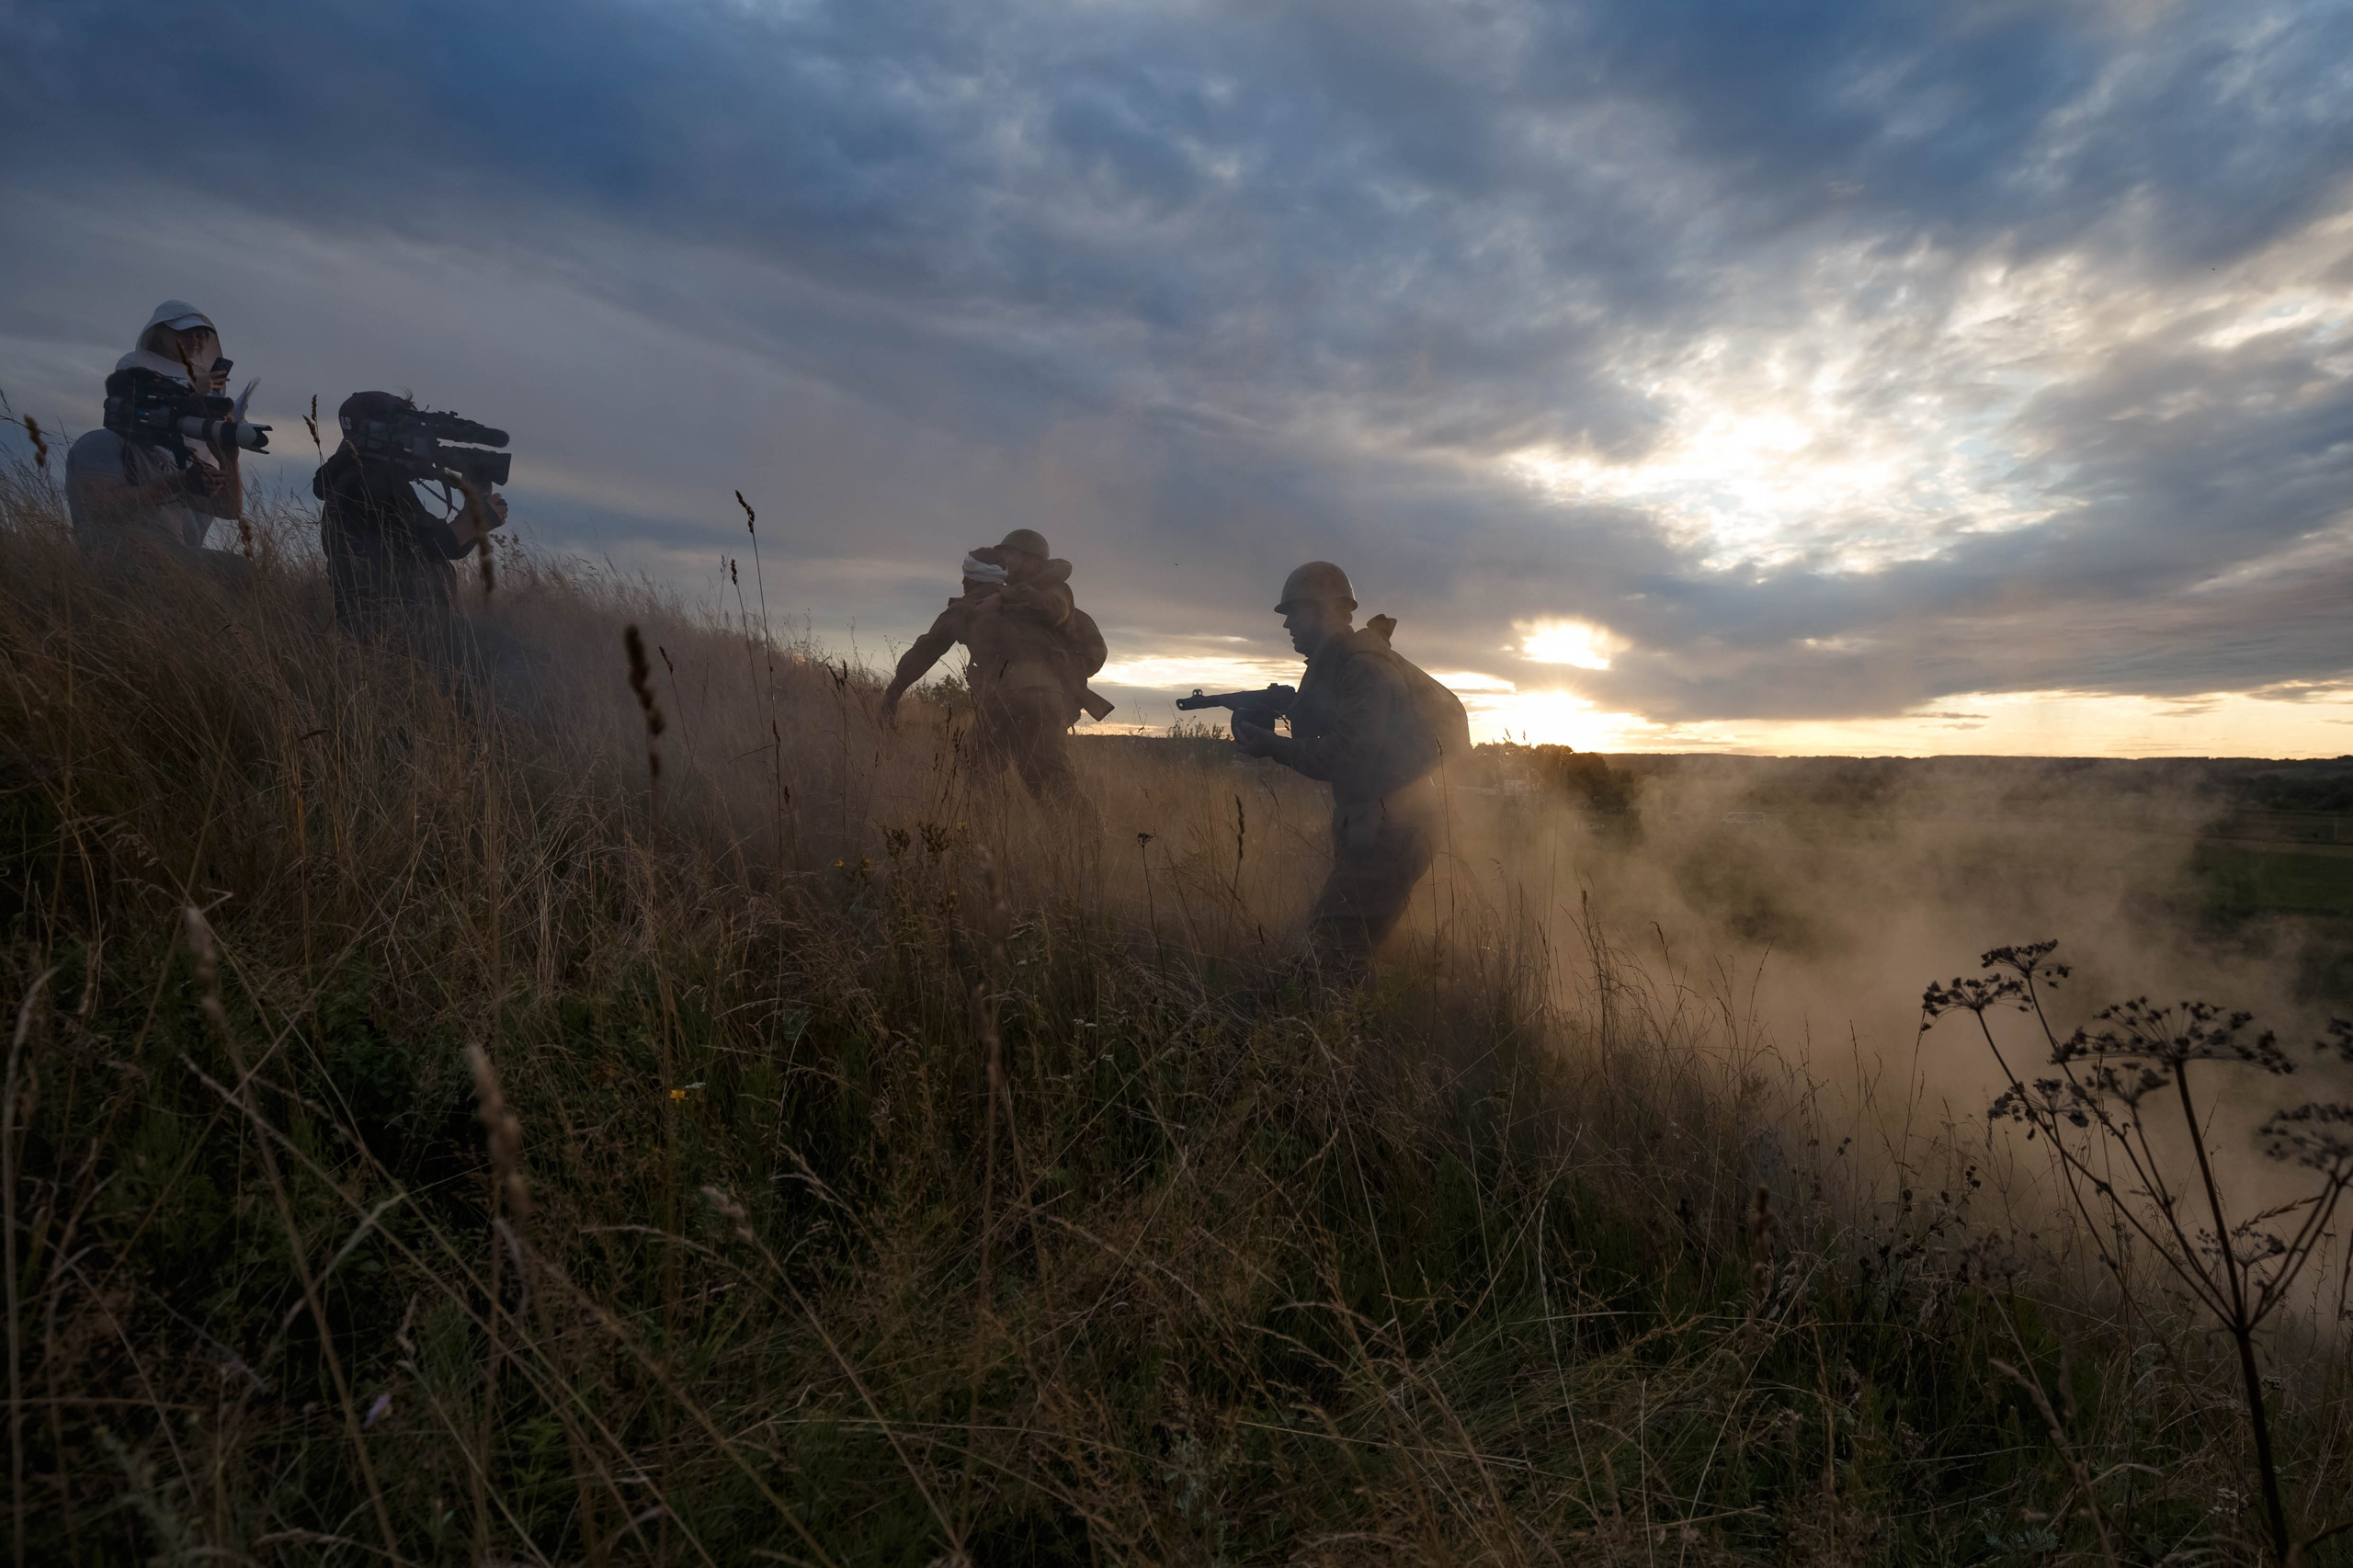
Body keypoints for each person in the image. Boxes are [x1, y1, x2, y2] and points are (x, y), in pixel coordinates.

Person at [1233, 561, 1469, 965]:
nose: (1287, 624)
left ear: (1323, 609)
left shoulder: (1363, 667)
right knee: (1357, 943)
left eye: (1294, 612)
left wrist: (1273, 746)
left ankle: (1456, 991)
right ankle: (1454, 987)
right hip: (1383, 823)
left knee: (1331, 954)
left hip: (1392, 827)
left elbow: (1348, 753)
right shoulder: (1345, 665)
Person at [880, 528, 1112, 803]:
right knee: (997, 773)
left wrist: (892, 694)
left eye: (1010, 553)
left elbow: (925, 651)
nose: (1005, 559)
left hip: (1025, 701)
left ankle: (1077, 842)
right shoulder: (1010, 598)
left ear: (1032, 559)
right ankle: (994, 836)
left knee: (1031, 780)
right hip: (1024, 702)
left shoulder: (1040, 595)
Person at [64, 301, 245, 574]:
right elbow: (100, 508)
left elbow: (229, 510)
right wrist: (177, 483)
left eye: (202, 335)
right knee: (233, 570)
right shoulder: (100, 442)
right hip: (123, 565)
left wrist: (229, 460)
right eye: (187, 333)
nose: (196, 341)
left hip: (171, 550)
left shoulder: (170, 460)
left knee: (229, 564)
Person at [314, 391, 507, 638]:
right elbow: (439, 544)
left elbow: (443, 546)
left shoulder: (355, 476)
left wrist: (477, 512)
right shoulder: (370, 480)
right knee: (529, 660)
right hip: (398, 626)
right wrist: (479, 518)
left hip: (393, 624)